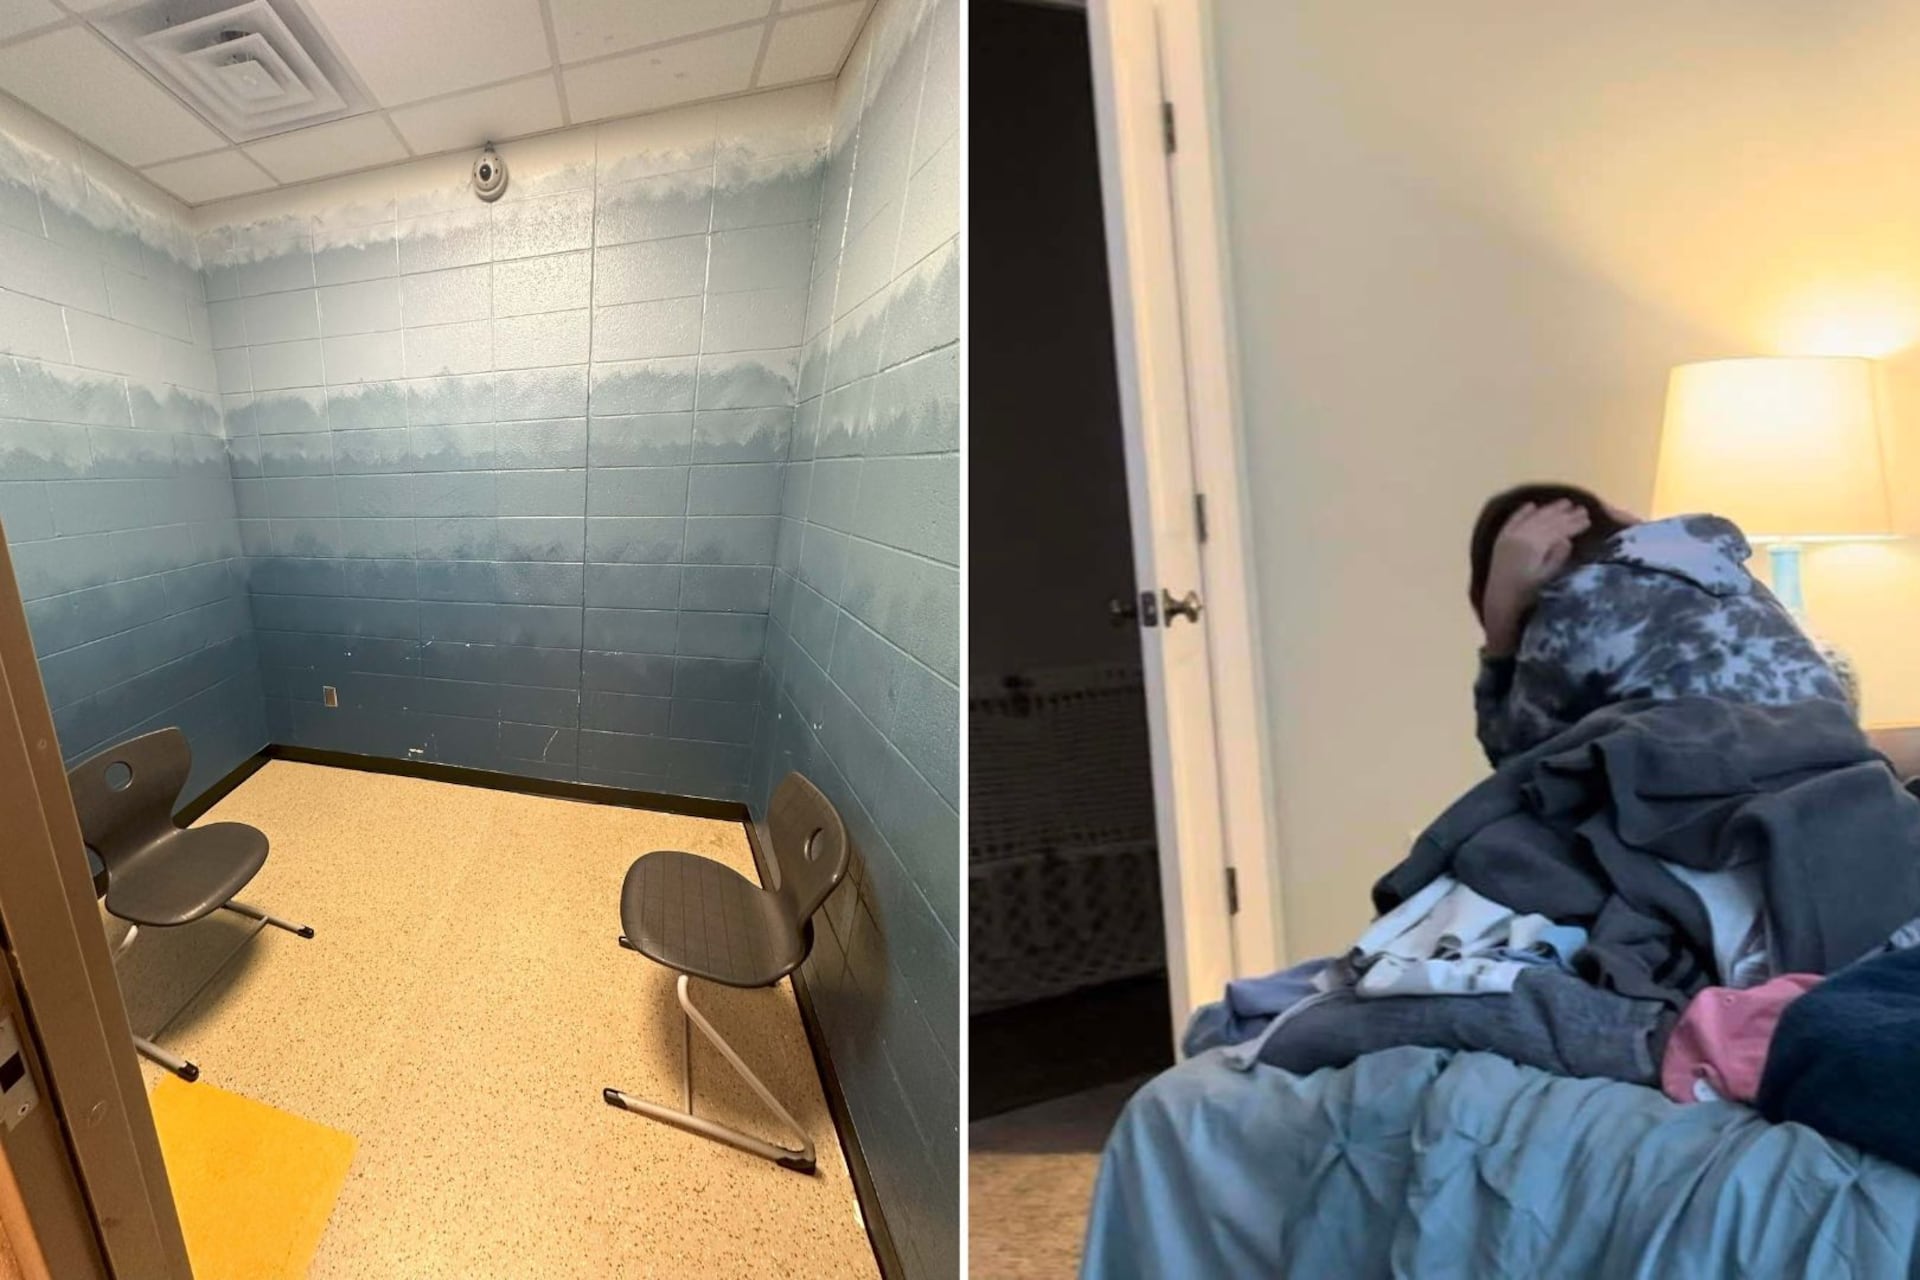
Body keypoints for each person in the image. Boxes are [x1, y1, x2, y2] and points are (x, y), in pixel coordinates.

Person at [1469, 483, 1851, 766]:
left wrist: (1500, 613)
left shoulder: (1576, 602)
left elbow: (1519, 769)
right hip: (1841, 801)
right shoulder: (1731, 580)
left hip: (1724, 830)